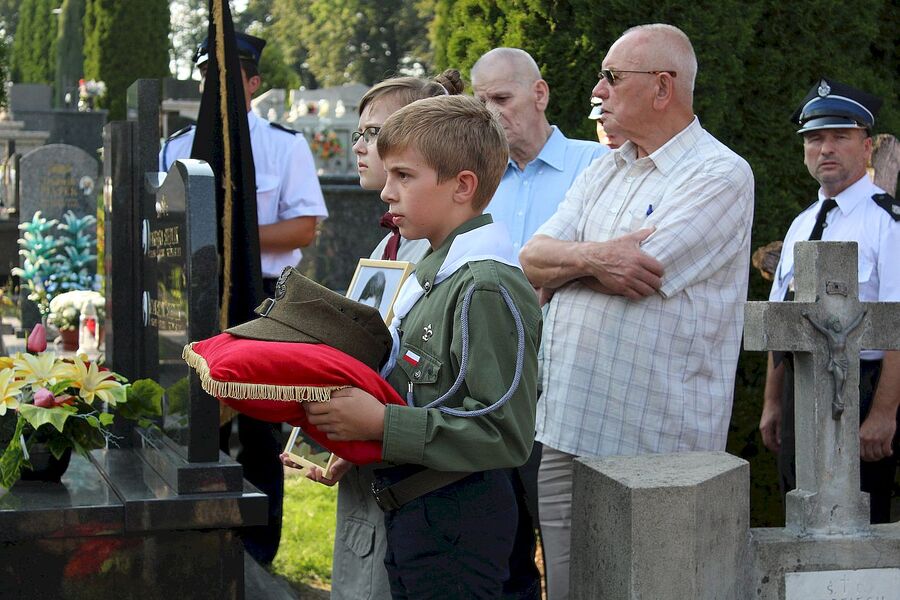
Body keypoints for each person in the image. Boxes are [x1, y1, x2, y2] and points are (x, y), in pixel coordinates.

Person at [519, 24, 754, 599]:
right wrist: (597, 259)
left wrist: (569, 270)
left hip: (656, 443)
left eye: (612, 77)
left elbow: (643, 271)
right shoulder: (605, 167)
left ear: (662, 87)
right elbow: (531, 259)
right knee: (570, 590)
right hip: (565, 424)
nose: (597, 89)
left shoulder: (721, 174)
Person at [302, 94, 542, 599]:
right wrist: (367, 441)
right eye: (388, 176)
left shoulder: (484, 286)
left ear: (463, 186)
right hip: (416, 507)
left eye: (404, 177)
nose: (387, 193)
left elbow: (504, 432)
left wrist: (382, 425)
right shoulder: (435, 273)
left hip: (457, 516)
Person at [286, 73, 464, 600]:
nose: (362, 148)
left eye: (377, 134)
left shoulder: (444, 258)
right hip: (373, 461)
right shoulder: (390, 242)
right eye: (362, 134)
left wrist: (375, 426)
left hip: (410, 481)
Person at [159, 32, 328, 565]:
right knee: (191, 420)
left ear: (253, 83)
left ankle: (256, 552)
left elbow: (303, 227)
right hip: (194, 297)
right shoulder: (176, 146)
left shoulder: (284, 144)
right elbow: (165, 227)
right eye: (210, 77)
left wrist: (232, 236)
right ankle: (189, 538)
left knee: (257, 427)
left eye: (230, 77)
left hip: (261, 297)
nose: (219, 87)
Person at [471, 47, 606, 599]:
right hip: (489, 387)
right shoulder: (472, 181)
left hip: (569, 385)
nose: (490, 114)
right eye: (479, 103)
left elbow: (605, 265)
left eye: (501, 99)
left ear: (540, 94)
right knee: (500, 552)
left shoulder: (595, 168)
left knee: (574, 548)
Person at [759, 78, 899, 524]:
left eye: (841, 136)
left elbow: (897, 324)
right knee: (799, 516)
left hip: (862, 391)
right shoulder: (801, 224)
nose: (826, 148)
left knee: (859, 524)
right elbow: (779, 321)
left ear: (868, 146)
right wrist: (773, 402)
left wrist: (883, 413)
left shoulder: (887, 223)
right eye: (815, 138)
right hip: (801, 392)